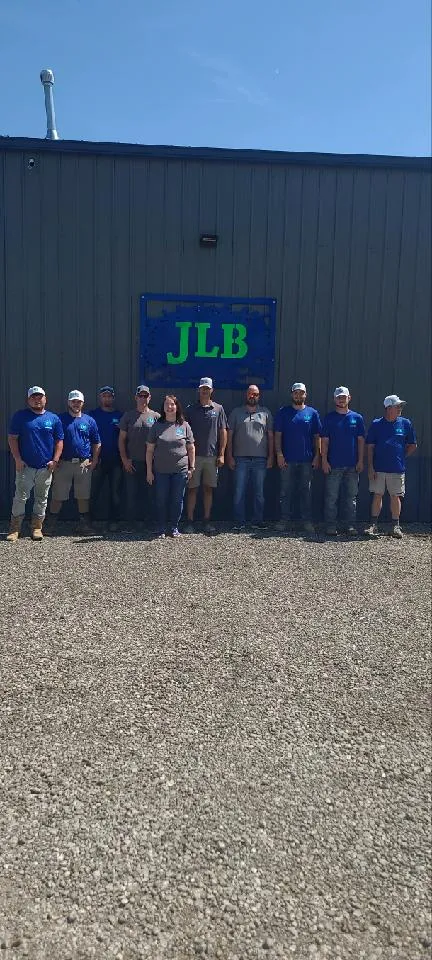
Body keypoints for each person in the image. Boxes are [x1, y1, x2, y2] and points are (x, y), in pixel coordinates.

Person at [6, 386, 64, 542]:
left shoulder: (53, 418)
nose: (37, 400)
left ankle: (37, 528)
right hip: (25, 467)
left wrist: (55, 460)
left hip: (45, 468)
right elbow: (12, 438)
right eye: (33, 397)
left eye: (40, 397)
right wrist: (17, 459)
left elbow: (59, 441)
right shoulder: (20, 416)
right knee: (20, 498)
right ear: (28, 400)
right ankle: (15, 529)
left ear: (45, 399)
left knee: (41, 498)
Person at [46, 390, 101, 536]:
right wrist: (55, 459)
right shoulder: (59, 419)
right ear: (68, 402)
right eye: (73, 401)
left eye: (79, 401)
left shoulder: (89, 420)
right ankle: (50, 525)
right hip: (63, 464)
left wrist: (94, 460)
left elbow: (96, 442)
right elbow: (52, 440)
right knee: (58, 495)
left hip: (83, 464)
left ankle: (84, 526)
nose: (76, 404)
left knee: (83, 496)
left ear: (83, 403)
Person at [365, 394, 417, 539]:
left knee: (396, 496)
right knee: (377, 495)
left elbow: (412, 445)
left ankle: (395, 526)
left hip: (397, 469)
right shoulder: (376, 424)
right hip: (378, 468)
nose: (400, 408)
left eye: (400, 406)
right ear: (388, 408)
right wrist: (370, 467)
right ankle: (373, 525)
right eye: (397, 406)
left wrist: (401, 456)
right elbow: (370, 446)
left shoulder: (405, 423)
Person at [274, 382, 321, 534]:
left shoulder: (312, 413)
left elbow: (317, 437)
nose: (298, 395)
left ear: (305, 395)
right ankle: (284, 520)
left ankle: (306, 521)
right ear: (292, 394)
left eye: (301, 393)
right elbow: (277, 435)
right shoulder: (283, 412)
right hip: (287, 460)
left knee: (305, 491)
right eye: (296, 393)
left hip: (307, 460)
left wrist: (317, 456)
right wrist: (279, 454)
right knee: (285, 491)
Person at [146, 395, 195, 538]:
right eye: (167, 404)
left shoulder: (184, 425)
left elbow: (191, 448)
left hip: (180, 470)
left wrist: (191, 467)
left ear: (177, 406)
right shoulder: (157, 426)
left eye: (172, 404)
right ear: (163, 407)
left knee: (177, 499)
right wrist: (149, 471)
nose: (170, 407)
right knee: (161, 499)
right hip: (161, 470)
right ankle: (161, 528)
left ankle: (174, 527)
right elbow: (149, 450)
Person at [184, 377, 227, 535]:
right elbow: (184, 432)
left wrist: (221, 454)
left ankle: (207, 521)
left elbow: (223, 431)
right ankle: (189, 521)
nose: (205, 391)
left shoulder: (218, 409)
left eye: (207, 388)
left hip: (211, 457)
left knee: (208, 489)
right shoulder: (190, 409)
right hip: (194, 458)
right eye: (202, 388)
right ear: (198, 390)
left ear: (212, 390)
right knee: (192, 489)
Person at [227, 385, 274, 530]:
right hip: (240, 458)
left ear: (259, 396)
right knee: (239, 491)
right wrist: (229, 455)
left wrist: (271, 456)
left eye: (255, 394)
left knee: (259, 492)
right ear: (246, 395)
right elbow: (229, 436)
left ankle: (257, 520)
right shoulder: (236, 412)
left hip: (260, 459)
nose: (252, 396)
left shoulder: (265, 413)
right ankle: (239, 522)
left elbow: (271, 436)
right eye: (250, 393)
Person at [321, 386, 365, 536]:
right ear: (334, 399)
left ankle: (350, 526)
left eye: (344, 397)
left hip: (353, 466)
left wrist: (360, 460)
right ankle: (330, 526)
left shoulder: (357, 418)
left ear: (349, 398)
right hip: (333, 465)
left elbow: (360, 441)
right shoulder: (329, 418)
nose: (341, 399)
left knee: (351, 498)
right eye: (338, 397)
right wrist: (324, 460)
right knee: (331, 497)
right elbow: (324, 441)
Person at [118, 385, 160, 524]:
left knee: (150, 494)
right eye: (140, 396)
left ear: (150, 397)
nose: (143, 398)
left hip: (151, 464)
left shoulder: (156, 417)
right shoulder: (128, 416)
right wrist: (125, 460)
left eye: (145, 396)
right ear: (136, 397)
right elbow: (121, 440)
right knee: (131, 494)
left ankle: (149, 522)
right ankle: (131, 523)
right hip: (132, 462)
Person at [89, 386, 123, 531]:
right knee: (93, 492)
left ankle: (113, 520)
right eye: (104, 396)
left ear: (113, 398)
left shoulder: (120, 415)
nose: (107, 398)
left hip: (116, 460)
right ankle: (89, 521)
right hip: (97, 460)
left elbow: (124, 438)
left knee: (115, 493)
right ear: (100, 398)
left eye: (109, 396)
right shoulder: (92, 415)